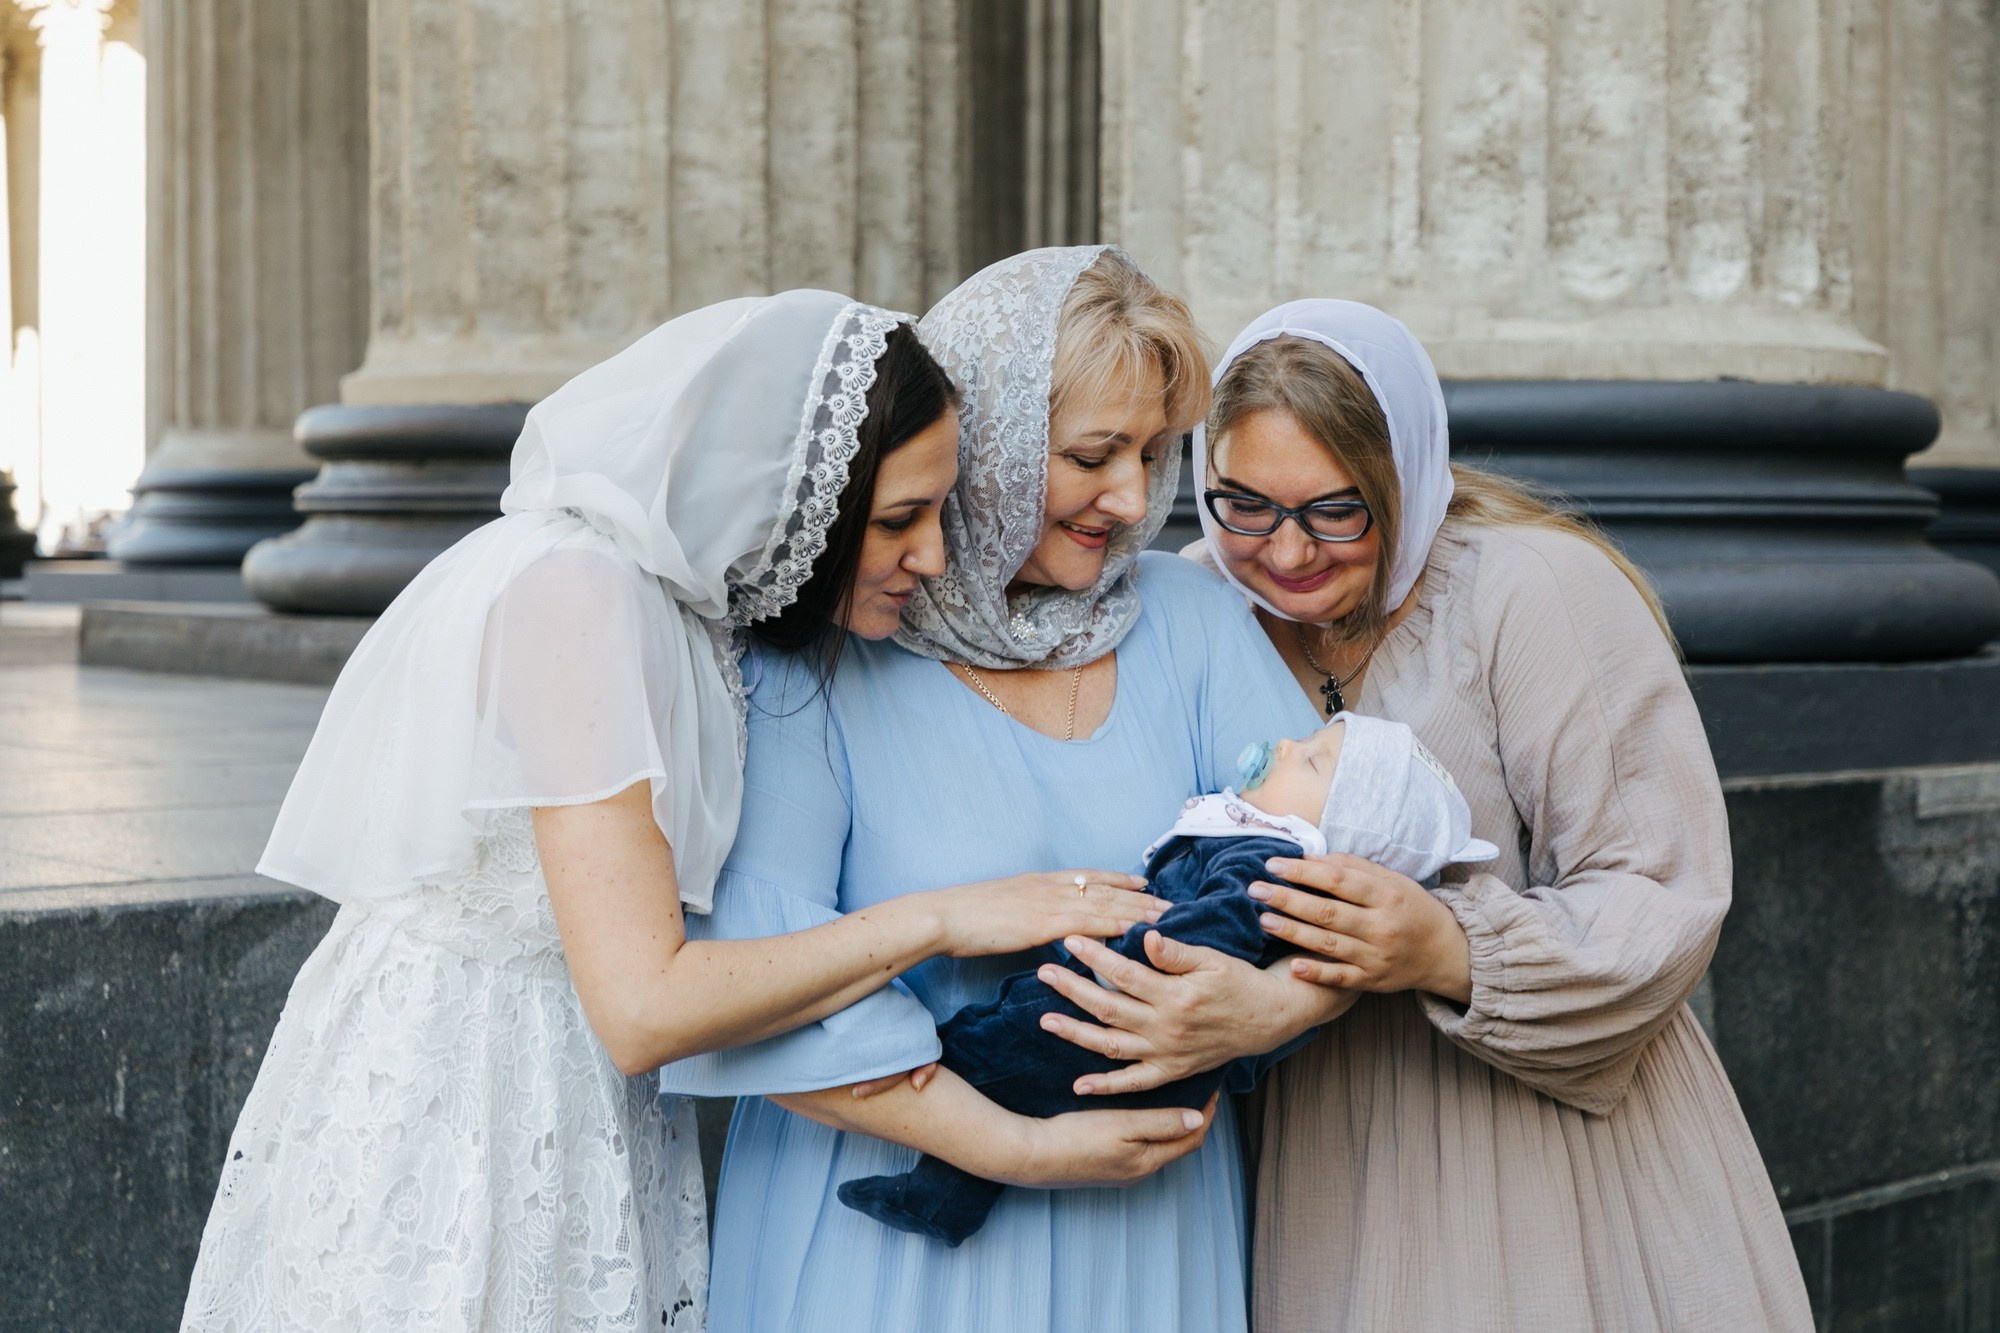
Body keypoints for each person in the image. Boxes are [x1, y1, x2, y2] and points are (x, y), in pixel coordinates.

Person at [179, 294, 1169, 1333]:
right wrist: (942, 916)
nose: (930, 555)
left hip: (572, 1086)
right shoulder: (582, 596)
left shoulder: (682, 604)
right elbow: (643, 1006)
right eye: (896, 519)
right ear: (799, 495)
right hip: (472, 1087)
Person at [1028, 298, 1814, 1329]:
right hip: (1301, 1151)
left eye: (1335, 510)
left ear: (1406, 477)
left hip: (1533, 1150)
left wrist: (1444, 944)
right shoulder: (1195, 609)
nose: (1287, 551)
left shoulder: (1529, 593)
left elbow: (1656, 891)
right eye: (1244, 505)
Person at [661, 247, 1345, 1332]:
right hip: (884, 1233)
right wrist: (1011, 1145)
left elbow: (1345, 873)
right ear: (972, 443)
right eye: (1089, 453)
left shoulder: (1195, 620)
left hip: (1146, 1221)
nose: (1130, 498)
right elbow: (749, 984)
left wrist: (1270, 1006)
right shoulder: (822, 655)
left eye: (1151, 451)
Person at [836, 711, 1498, 1245]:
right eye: (1312, 737)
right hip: (1135, 1023)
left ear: (1341, 831)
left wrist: (1135, 955)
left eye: (1316, 760)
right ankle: (944, 1200)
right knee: (1019, 1090)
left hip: (1123, 1010)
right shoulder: (1250, 832)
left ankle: (905, 1061)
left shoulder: (1269, 858)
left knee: (993, 1039)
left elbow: (1220, 931)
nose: (1289, 744)